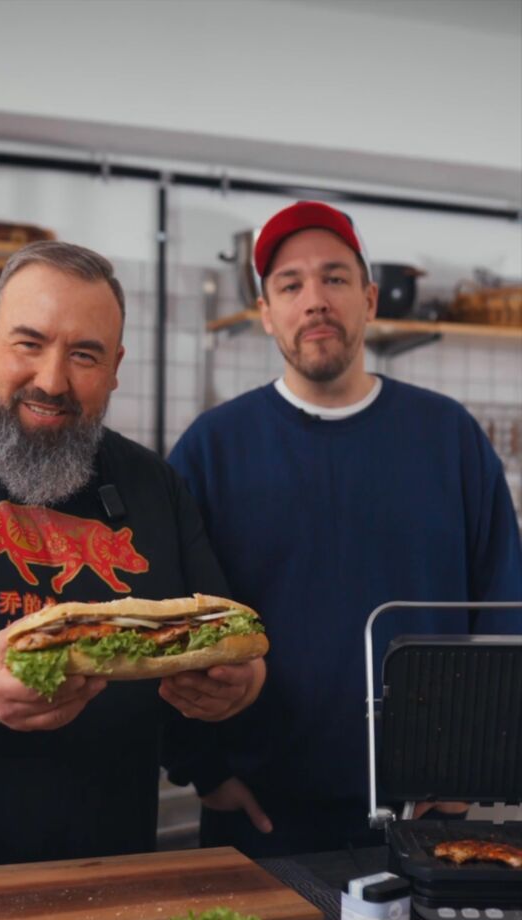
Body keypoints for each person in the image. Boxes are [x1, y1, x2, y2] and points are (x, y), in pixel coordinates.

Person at [0, 241, 265, 877]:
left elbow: (233, 648)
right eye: (28, 343)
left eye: (84, 354)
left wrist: (237, 688)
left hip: (107, 892)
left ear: (115, 367)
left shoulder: (155, 487)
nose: (52, 380)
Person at [169, 200, 522, 857]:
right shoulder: (211, 451)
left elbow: (505, 613)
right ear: (267, 311)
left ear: (369, 298)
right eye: (290, 284)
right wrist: (205, 771)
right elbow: (168, 631)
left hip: (425, 816)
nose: (315, 300)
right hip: (260, 819)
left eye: (334, 278)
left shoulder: (449, 439)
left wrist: (476, 765)